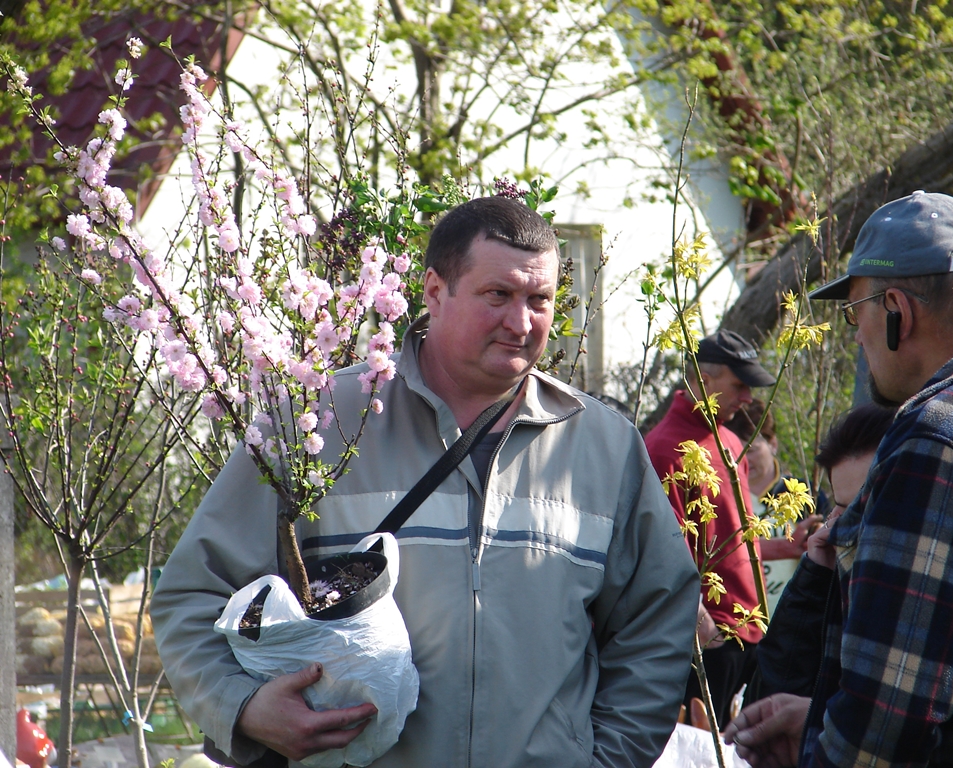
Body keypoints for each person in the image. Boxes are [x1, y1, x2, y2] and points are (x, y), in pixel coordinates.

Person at [150, 196, 700, 768]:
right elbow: (193, 594)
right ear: (435, 291)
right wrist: (245, 707)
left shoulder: (606, 448)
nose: (521, 323)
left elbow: (656, 623)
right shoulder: (316, 423)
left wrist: (609, 760)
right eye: (498, 295)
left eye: (539, 300)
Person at [726, 190, 953, 766]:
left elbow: (885, 729)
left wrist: (829, 748)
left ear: (896, 311)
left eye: (854, 314)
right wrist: (819, 719)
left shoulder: (938, 444)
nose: (857, 337)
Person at [725, 402, 895, 750]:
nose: (842, 526)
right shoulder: (829, 572)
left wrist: (819, 719)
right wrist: (814, 574)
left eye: (861, 509)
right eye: (840, 508)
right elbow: (768, 699)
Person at [644, 330, 775, 727]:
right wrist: (704, 629)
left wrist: (790, 547)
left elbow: (733, 537)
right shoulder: (663, 449)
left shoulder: (731, 442)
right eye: (739, 385)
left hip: (750, 632)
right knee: (699, 748)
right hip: (708, 641)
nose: (748, 398)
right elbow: (662, 553)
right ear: (703, 378)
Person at [724, 400, 825, 617]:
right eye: (734, 451)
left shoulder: (802, 494)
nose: (743, 460)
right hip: (737, 620)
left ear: (773, 444)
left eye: (751, 450)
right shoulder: (723, 497)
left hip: (793, 617)